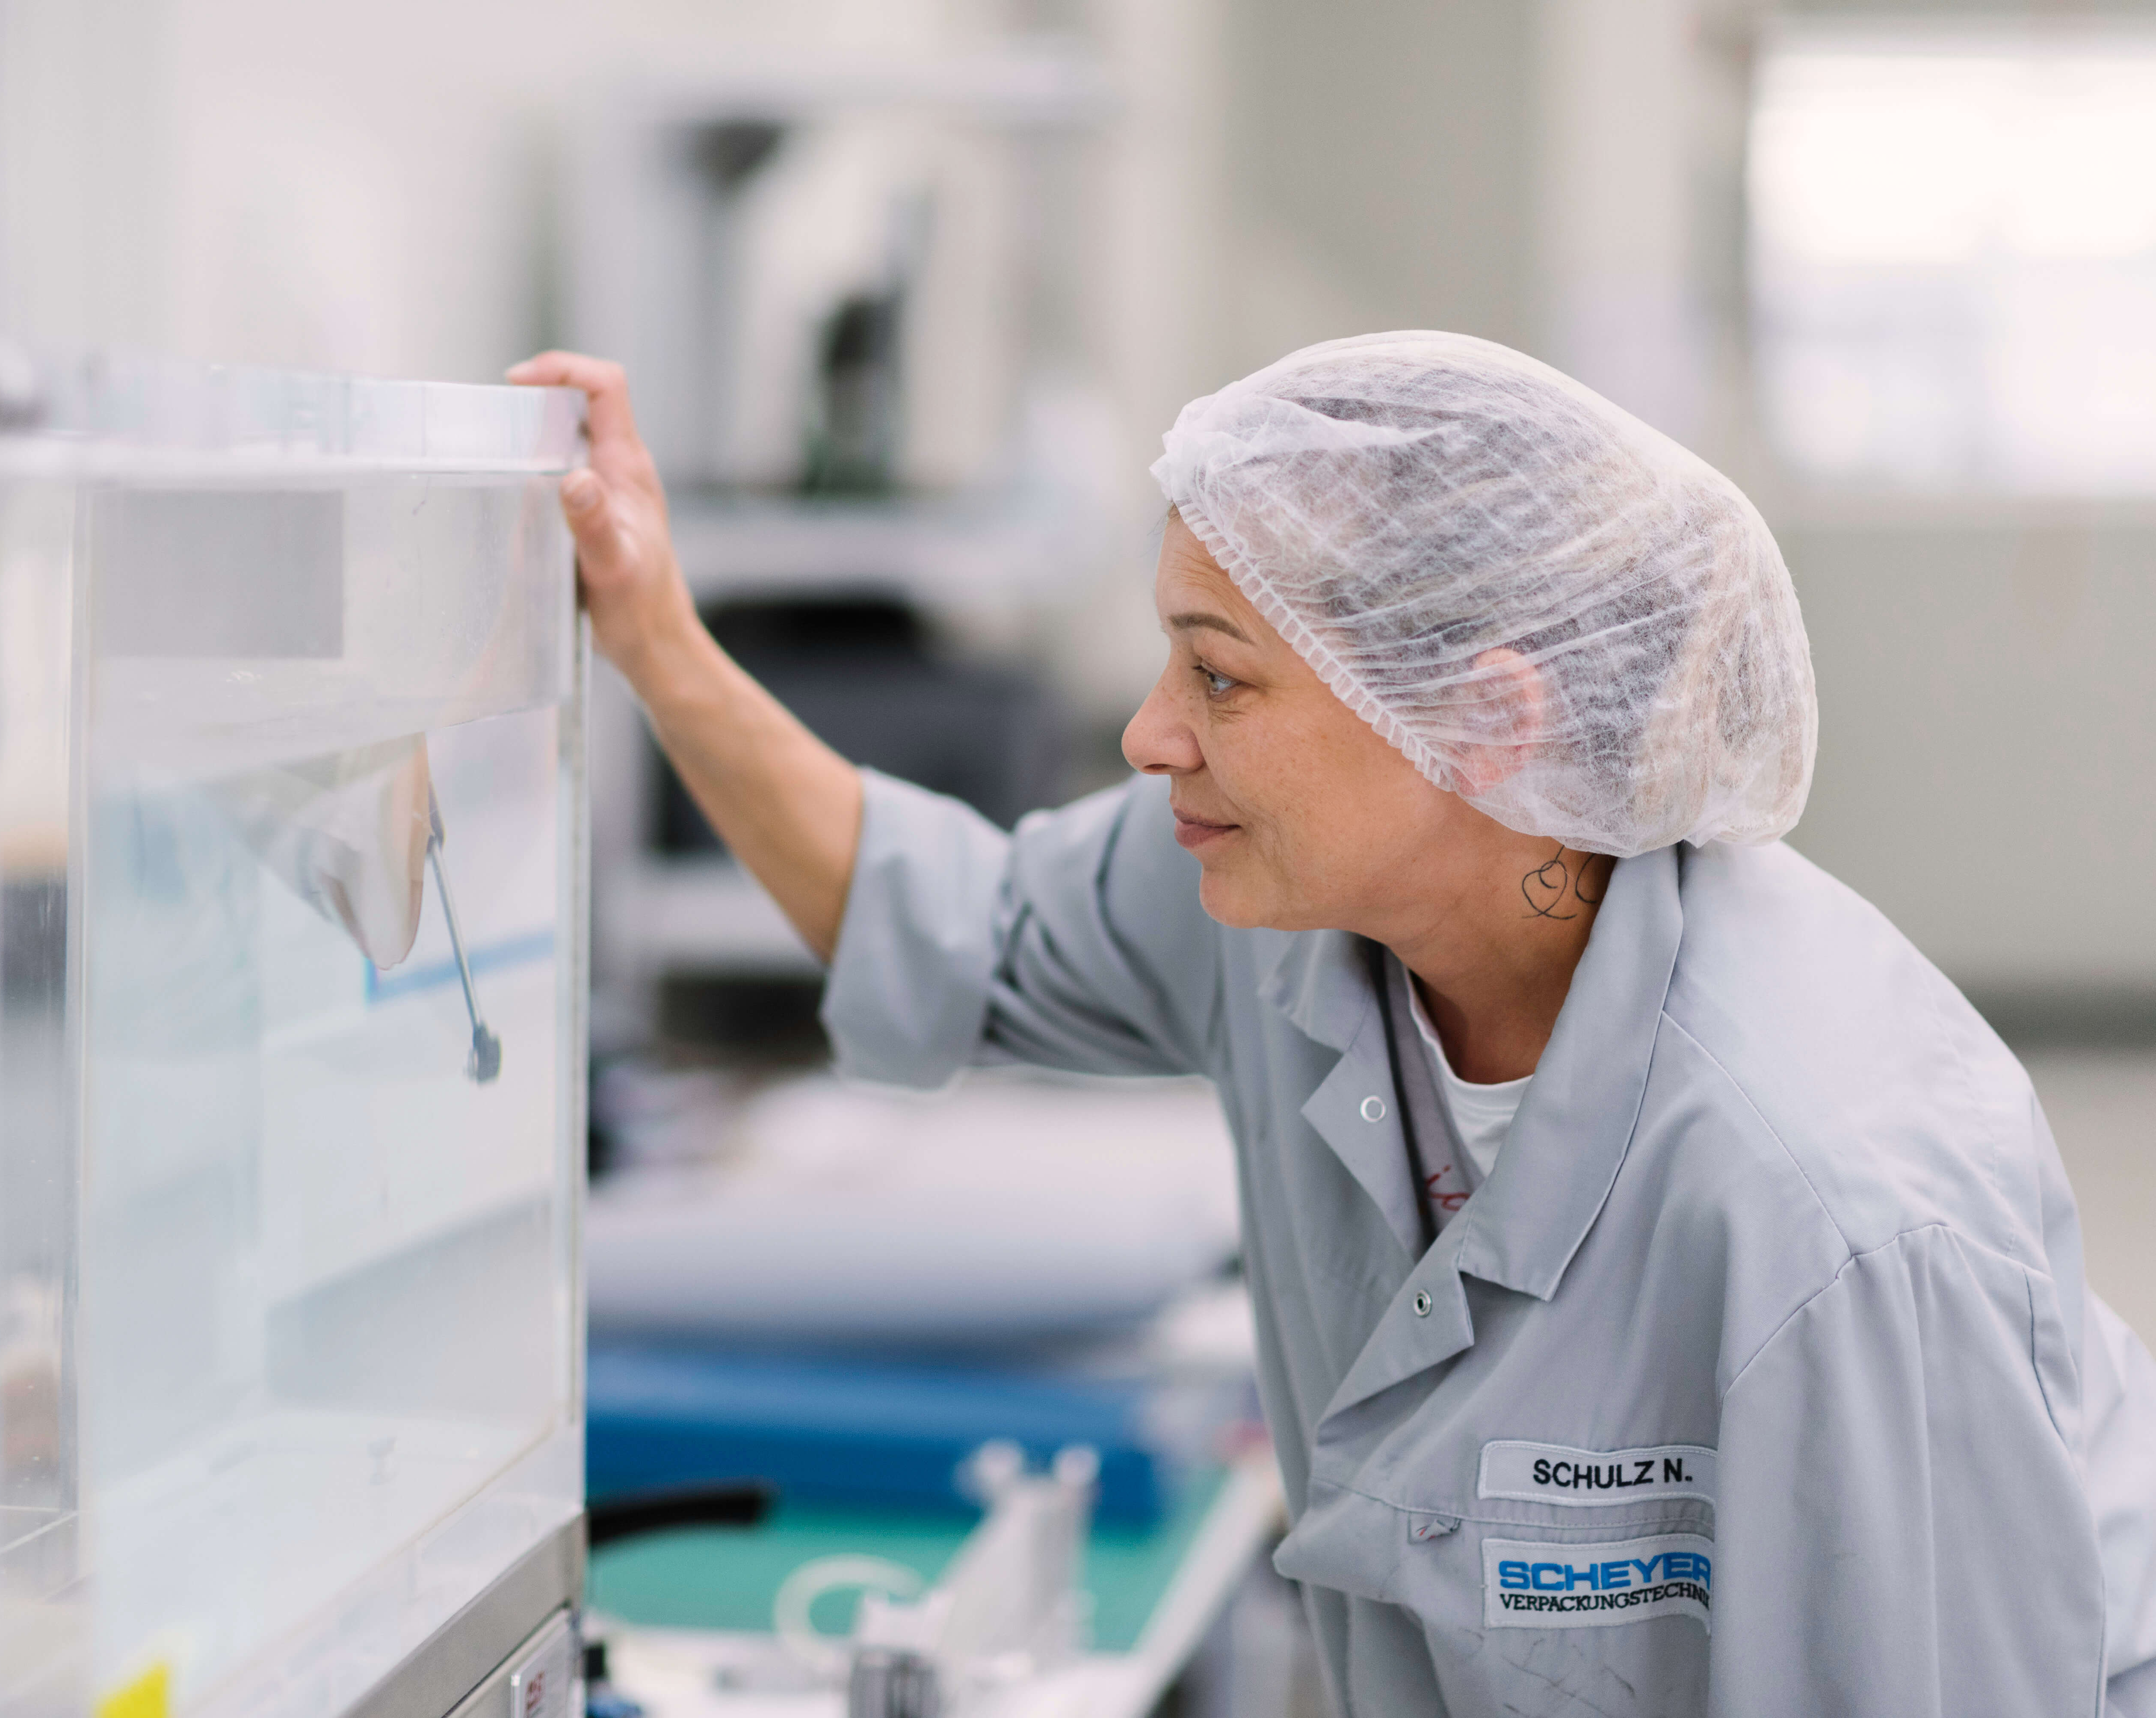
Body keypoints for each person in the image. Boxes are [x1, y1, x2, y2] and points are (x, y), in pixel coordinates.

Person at [509, 332, 2156, 1717]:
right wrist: (652, 634)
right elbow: (950, 922)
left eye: (1222, 678)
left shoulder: (1830, 1211)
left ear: (1490, 726)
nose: (1153, 736)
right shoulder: (1292, 912)